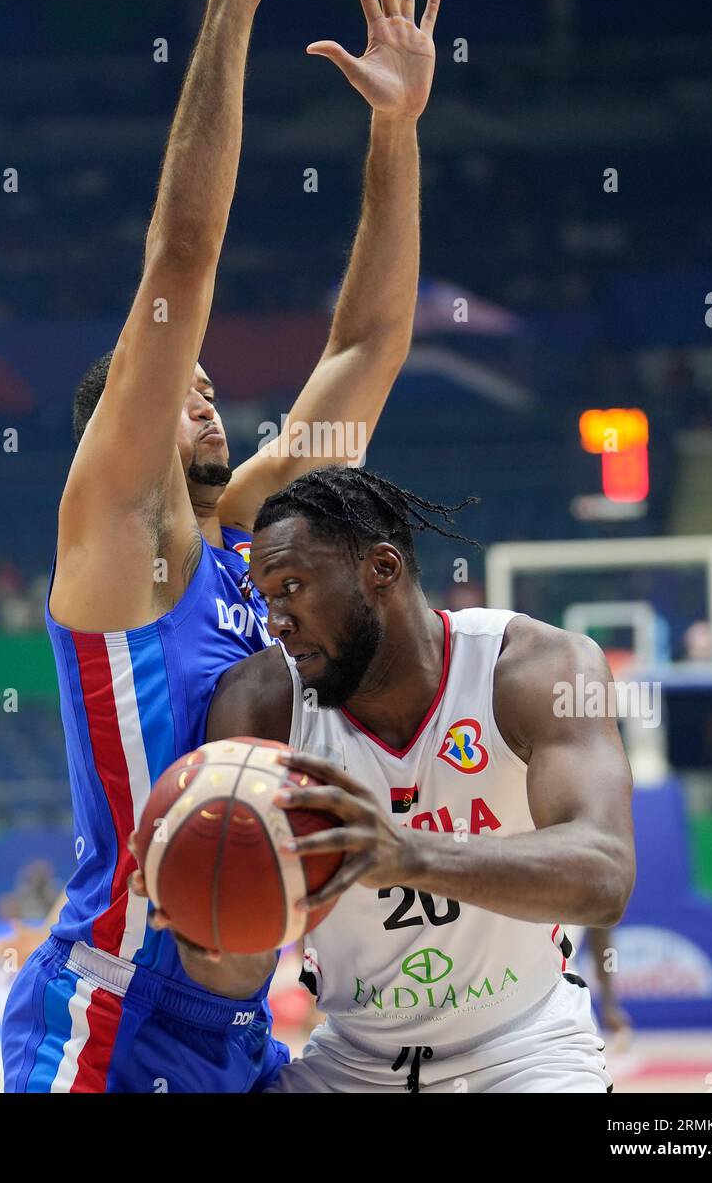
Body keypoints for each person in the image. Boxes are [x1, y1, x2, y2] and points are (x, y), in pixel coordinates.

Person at [0, 0, 441, 1094]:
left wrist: (397, 133)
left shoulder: (254, 537)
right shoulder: (117, 542)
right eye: (171, 387)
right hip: (112, 1008)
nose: (202, 393)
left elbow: (368, 342)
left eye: (204, 387)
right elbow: (179, 261)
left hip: (248, 1024)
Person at [190, 466, 635, 1092]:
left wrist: (406, 853)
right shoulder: (259, 705)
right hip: (350, 1059)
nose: (277, 619)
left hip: (525, 1047)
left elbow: (605, 875)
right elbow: (238, 972)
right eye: (267, 598)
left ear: (383, 568)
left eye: (292, 586)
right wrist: (204, 917)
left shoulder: (539, 669)